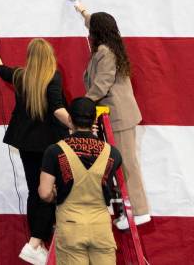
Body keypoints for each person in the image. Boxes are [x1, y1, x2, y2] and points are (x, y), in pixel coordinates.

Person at [0, 36, 73, 265]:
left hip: (26, 144)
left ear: (30, 58)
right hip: (49, 145)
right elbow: (57, 108)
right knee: (49, 192)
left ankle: (37, 243)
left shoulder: (21, 76)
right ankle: (35, 243)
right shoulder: (53, 76)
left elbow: (0, 69)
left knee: (35, 191)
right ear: (49, 57)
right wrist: (76, 125)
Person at [74, 4, 151, 228]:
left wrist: (83, 105)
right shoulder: (110, 46)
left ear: (97, 32)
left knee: (127, 164)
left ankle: (139, 212)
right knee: (118, 165)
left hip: (120, 117)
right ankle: (128, 210)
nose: (89, 32)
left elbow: (102, 83)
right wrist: (82, 10)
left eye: (91, 29)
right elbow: (93, 21)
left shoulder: (105, 53)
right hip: (113, 116)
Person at [39, 97, 123, 265]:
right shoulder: (113, 153)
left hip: (70, 227)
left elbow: (45, 193)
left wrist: (54, 194)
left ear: (70, 119)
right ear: (94, 121)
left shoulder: (55, 151)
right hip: (101, 228)